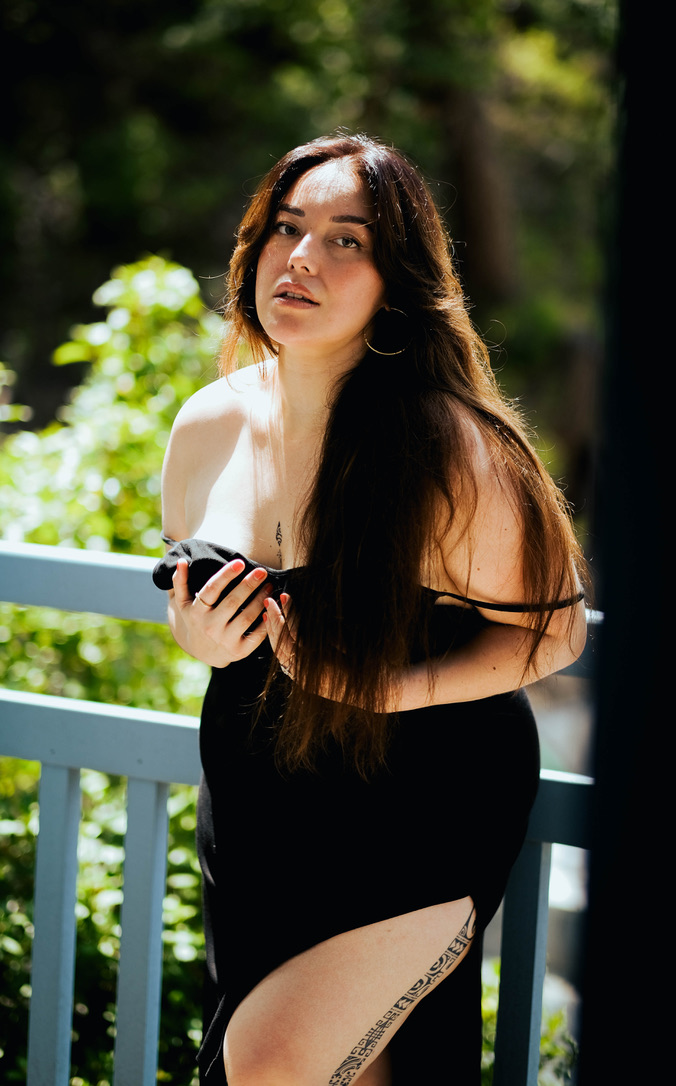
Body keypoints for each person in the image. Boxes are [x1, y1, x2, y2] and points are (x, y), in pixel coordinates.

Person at [153, 133, 587, 1086]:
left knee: (269, 1065)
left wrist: (397, 686)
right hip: (259, 799)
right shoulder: (207, 422)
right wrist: (198, 634)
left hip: (419, 799)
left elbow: (551, 631)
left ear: (397, 281)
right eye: (286, 227)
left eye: (347, 240)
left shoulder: (449, 449)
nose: (301, 256)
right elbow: (201, 601)